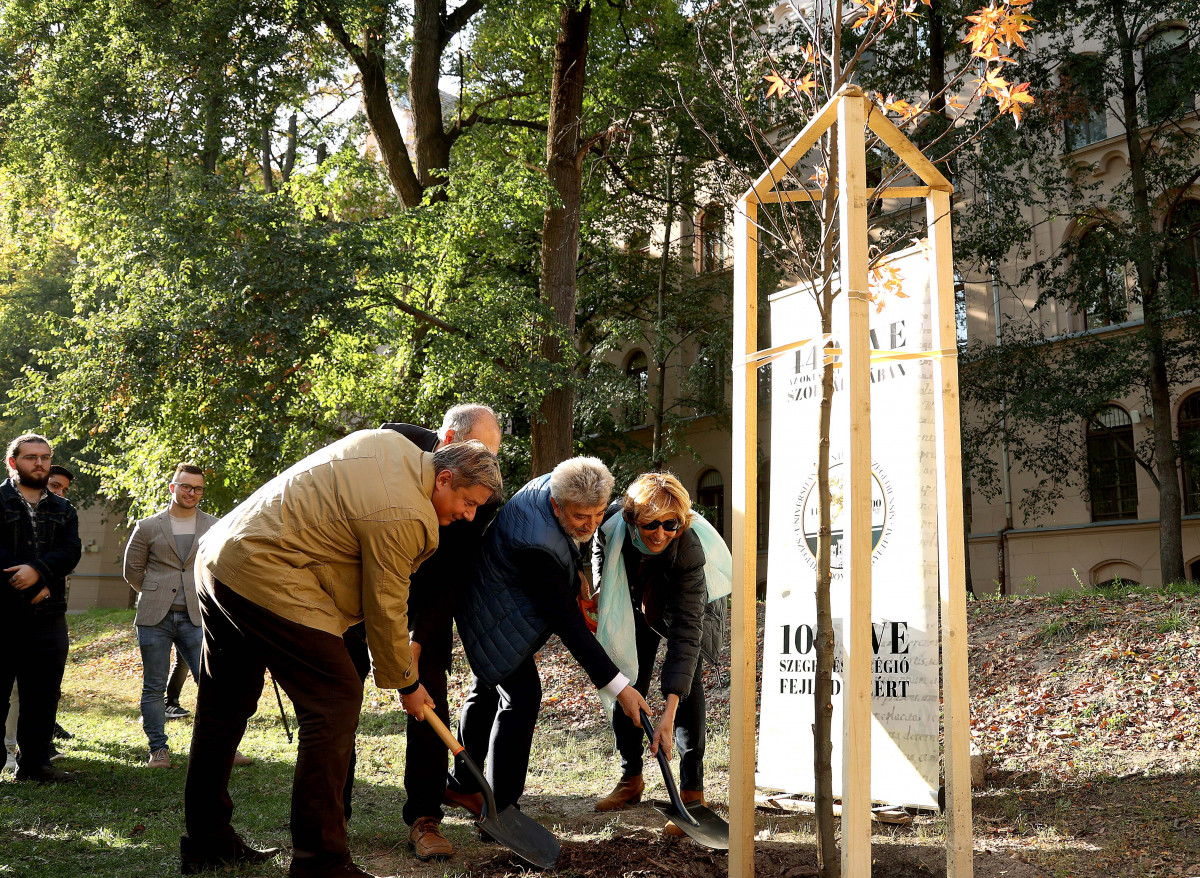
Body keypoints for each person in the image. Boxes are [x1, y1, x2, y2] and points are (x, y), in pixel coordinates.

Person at [181, 431, 502, 878]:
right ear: (444, 478)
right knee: (334, 699)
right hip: (264, 568)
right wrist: (407, 683)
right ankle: (321, 863)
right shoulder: (404, 511)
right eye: (468, 503)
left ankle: (207, 841)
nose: (468, 516)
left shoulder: (393, 447)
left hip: (220, 559)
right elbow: (387, 606)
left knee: (224, 704)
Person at [342, 404, 502, 861]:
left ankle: (425, 817)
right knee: (340, 701)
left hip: (424, 601)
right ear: (447, 439)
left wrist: (417, 638)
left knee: (428, 700)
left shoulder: (475, 486)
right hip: (353, 594)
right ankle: (334, 817)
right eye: (478, 451)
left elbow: (453, 574)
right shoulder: (386, 450)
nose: (485, 463)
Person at [455, 457, 652, 817]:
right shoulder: (536, 546)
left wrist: (576, 571)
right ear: (556, 504)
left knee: (486, 686)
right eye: (581, 518)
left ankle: (465, 787)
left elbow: (567, 545)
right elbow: (569, 626)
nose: (591, 526)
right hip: (493, 609)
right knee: (522, 694)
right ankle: (501, 810)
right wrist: (621, 688)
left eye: (597, 515)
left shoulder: (561, 482)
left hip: (499, 590)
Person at [590, 473, 720, 829]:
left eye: (670, 524)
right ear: (633, 519)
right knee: (625, 680)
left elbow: (686, 634)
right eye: (651, 525)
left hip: (681, 604)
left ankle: (692, 792)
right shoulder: (611, 522)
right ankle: (631, 778)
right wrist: (604, 588)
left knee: (686, 684)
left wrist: (669, 713)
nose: (661, 533)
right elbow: (599, 546)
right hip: (634, 600)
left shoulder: (688, 548)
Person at [123, 464, 239, 769]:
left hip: (197, 616)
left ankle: (225, 746)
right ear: (173, 487)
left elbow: (221, 568)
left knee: (213, 683)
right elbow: (132, 571)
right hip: (154, 618)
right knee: (154, 685)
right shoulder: (147, 526)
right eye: (186, 487)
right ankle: (158, 750)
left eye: (198, 488)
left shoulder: (215, 525)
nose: (192, 493)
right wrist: (156, 591)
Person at [0, 434, 82, 783]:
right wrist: (32, 583)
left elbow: (71, 552)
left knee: (43, 694)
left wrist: (39, 574)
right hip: (2, 615)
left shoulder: (65, 509)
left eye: (45, 457)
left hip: (49, 616)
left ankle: (33, 766)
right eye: (31, 457)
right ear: (13, 462)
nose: (40, 463)